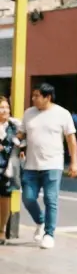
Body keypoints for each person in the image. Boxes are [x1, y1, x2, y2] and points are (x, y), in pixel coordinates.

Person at [21, 83, 77, 249]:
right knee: (28, 197)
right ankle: (40, 221)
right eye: (33, 96)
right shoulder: (28, 113)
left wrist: (74, 162)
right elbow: (21, 134)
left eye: (37, 96)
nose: (33, 99)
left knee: (50, 199)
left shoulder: (62, 114)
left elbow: (71, 140)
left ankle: (49, 234)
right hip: (31, 165)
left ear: (48, 97)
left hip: (53, 164)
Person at [0, 97, 21, 245]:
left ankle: (1, 231)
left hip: (7, 169)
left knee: (5, 199)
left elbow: (24, 140)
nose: (5, 110)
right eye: (1, 107)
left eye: (6, 107)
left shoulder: (15, 125)